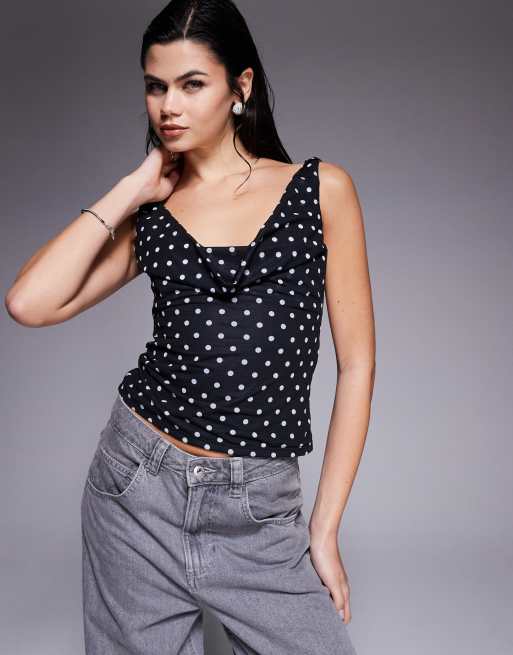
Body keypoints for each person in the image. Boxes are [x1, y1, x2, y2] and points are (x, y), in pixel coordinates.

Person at [5, 1, 375, 653]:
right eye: (156, 86)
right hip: (135, 492)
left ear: (240, 86)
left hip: (258, 509)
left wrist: (323, 527)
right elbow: (29, 303)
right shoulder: (155, 211)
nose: (168, 106)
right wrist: (132, 187)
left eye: (191, 84)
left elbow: (357, 365)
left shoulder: (320, 191)